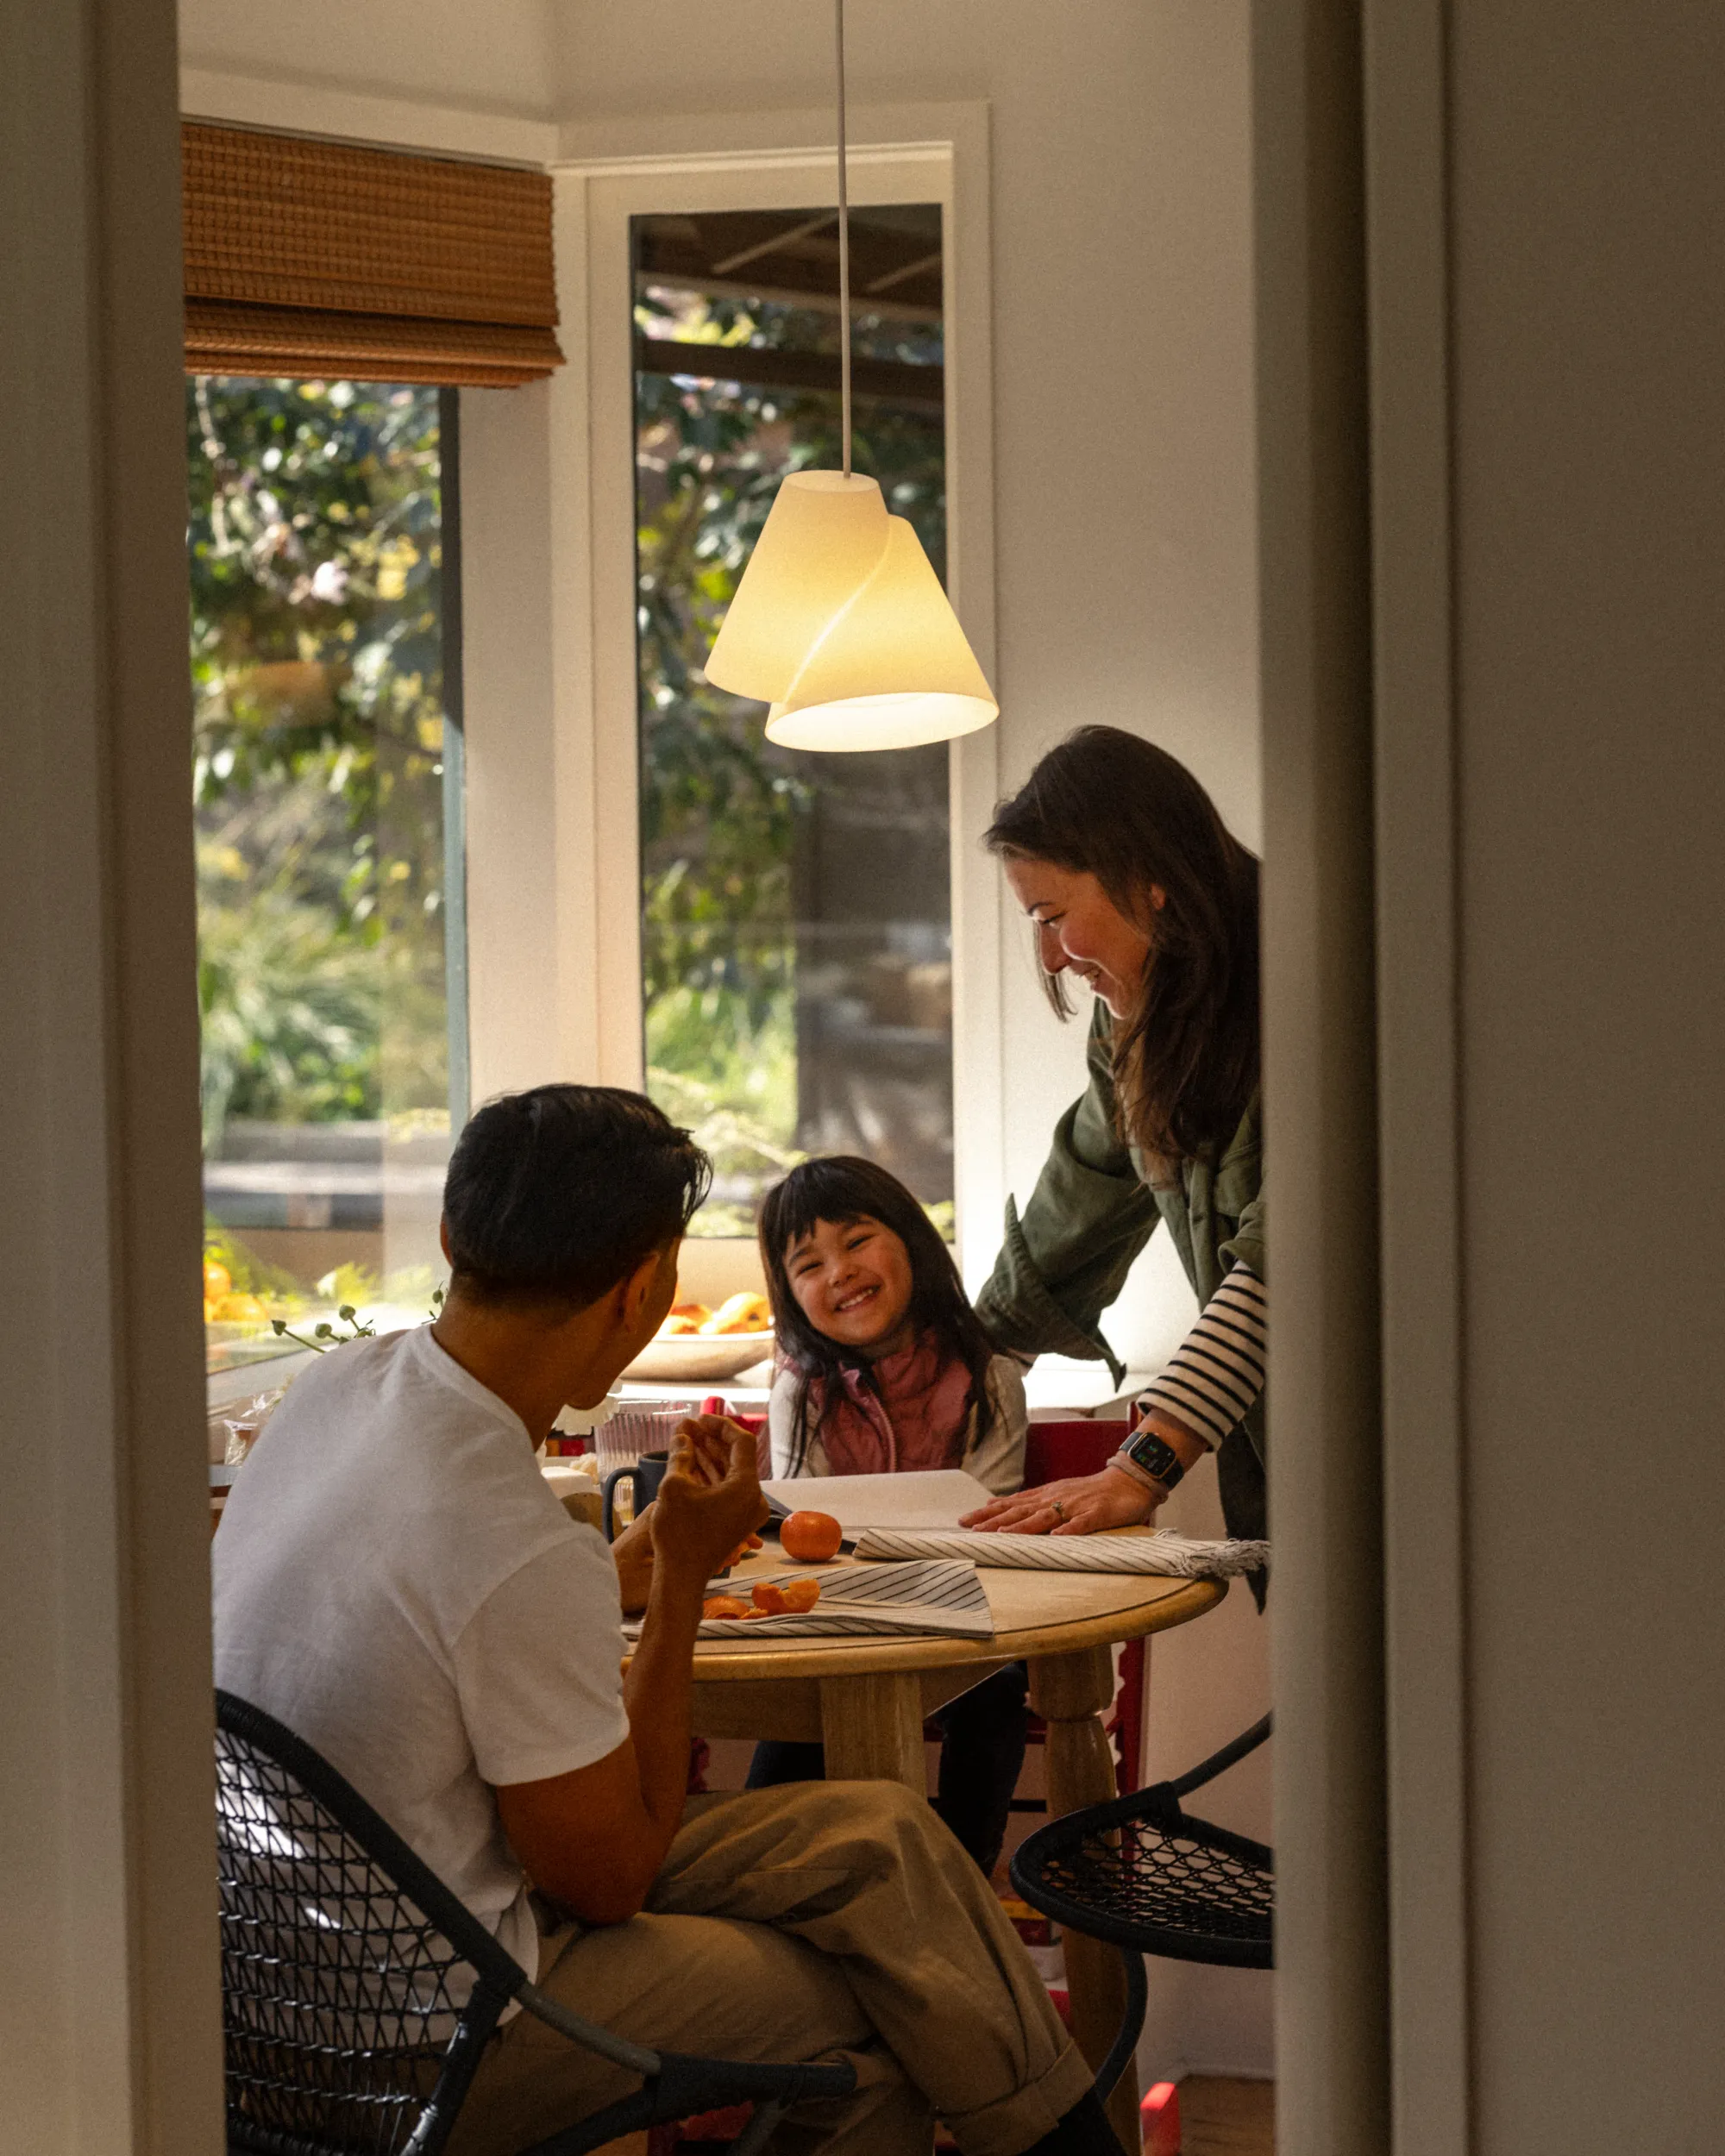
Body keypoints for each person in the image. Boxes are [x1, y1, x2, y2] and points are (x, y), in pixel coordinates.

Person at [213, 1084, 1115, 2156]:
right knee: (892, 1998)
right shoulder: (505, 1527)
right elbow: (606, 1879)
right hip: (430, 2042)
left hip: (271, 1992)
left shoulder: (334, 1396)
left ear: (455, 1234)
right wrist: (682, 1578)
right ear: (644, 1288)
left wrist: (636, 1560)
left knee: (882, 1835)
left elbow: (455, 1621)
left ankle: (1062, 2139)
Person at [959, 728, 1268, 1573]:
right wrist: (956, 1368)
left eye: (1054, 917)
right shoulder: (1130, 1022)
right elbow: (1083, 1194)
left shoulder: (1309, 977)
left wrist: (1143, 1464)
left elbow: (1290, 1256)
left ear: (1148, 878)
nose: (1053, 958)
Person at [745, 1155, 1029, 1872]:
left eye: (857, 1240)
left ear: (911, 1241)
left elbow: (984, 1527)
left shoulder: (989, 1379)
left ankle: (964, 1877)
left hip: (967, 1620)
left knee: (998, 1692)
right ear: (788, 1293)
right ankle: (783, 1881)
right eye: (808, 1263)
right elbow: (802, 1532)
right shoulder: (799, 1396)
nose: (838, 1271)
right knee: (794, 1714)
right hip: (839, 1622)